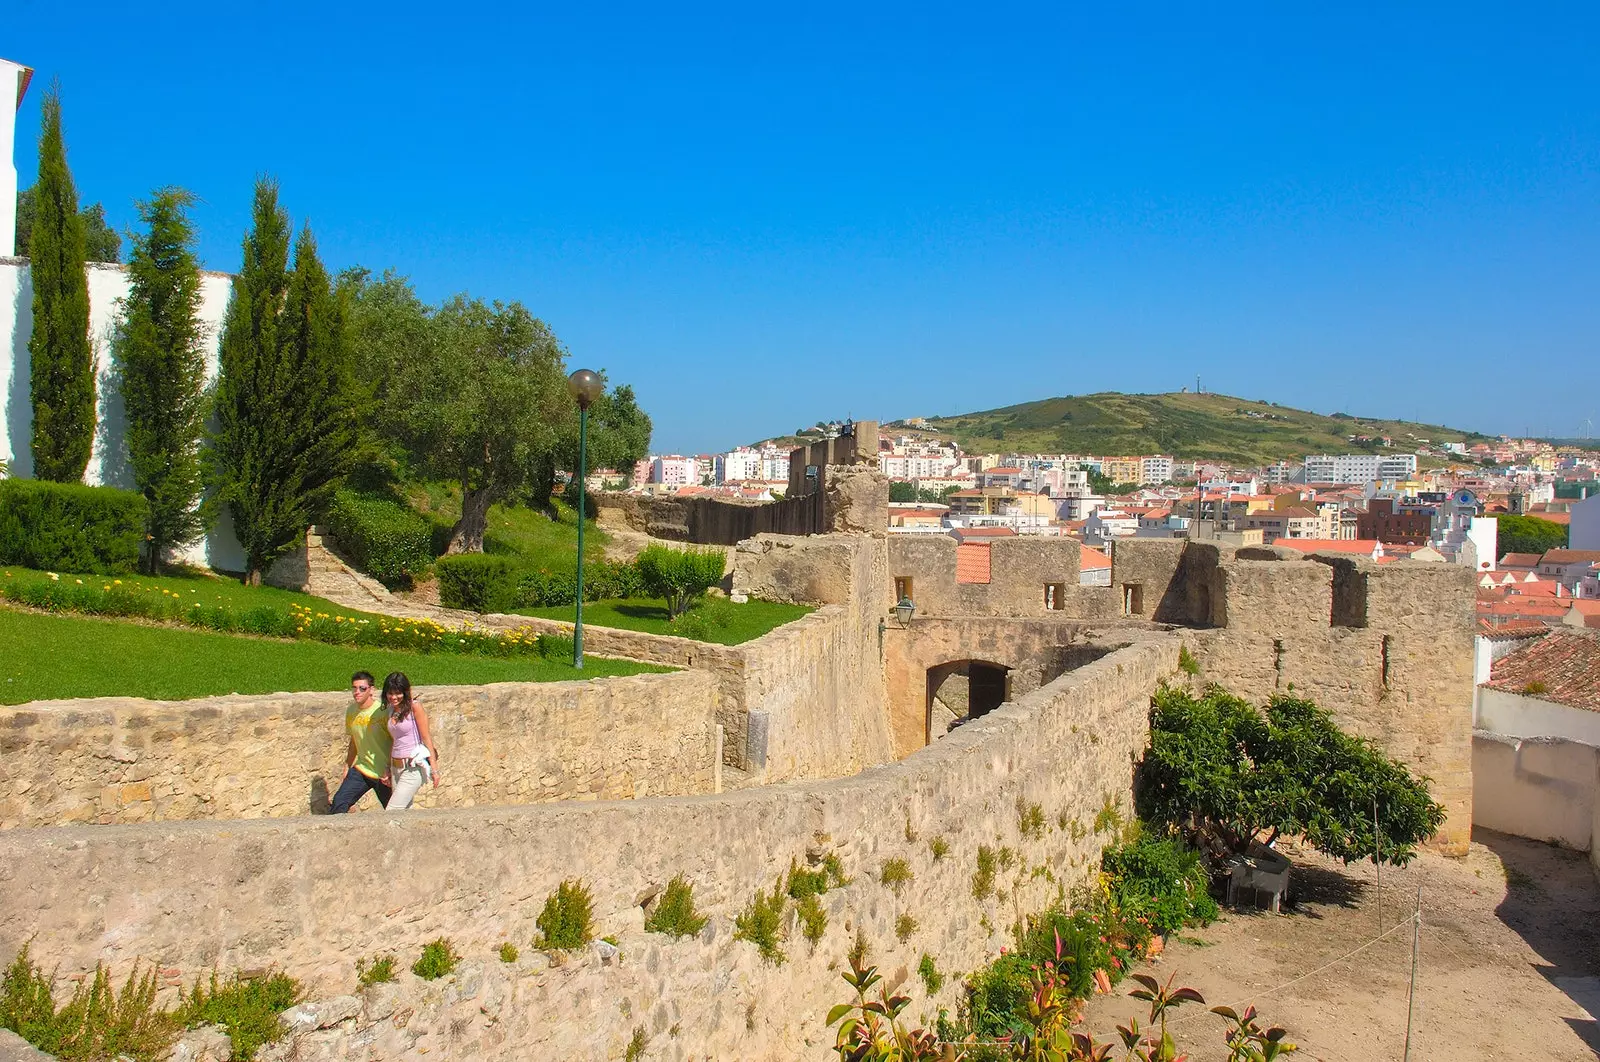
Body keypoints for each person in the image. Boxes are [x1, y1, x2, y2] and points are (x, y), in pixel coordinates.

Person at [331, 671, 392, 813]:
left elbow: (395, 741)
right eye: (354, 688)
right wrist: (347, 765)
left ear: (371, 690)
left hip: (384, 772)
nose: (357, 692)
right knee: (339, 803)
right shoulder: (351, 711)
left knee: (395, 812)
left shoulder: (382, 711)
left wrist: (390, 767)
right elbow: (354, 740)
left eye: (362, 688)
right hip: (362, 769)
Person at [380, 672, 440, 810]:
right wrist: (387, 768)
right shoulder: (391, 710)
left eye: (398, 693)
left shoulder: (414, 707)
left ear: (405, 692)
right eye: (390, 693)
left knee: (393, 810)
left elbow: (426, 737)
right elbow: (394, 740)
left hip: (412, 767)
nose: (394, 697)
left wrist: (434, 769)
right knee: (405, 812)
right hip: (396, 767)